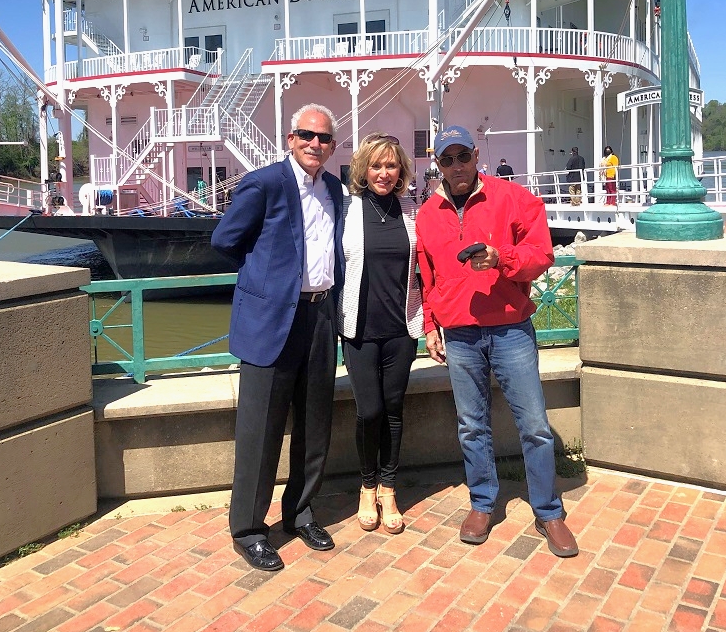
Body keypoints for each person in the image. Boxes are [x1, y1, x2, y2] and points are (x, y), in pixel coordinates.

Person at [415, 124, 578, 558]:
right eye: (446, 160)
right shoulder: (428, 212)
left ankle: (548, 511)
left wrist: (500, 258)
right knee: (471, 426)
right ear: (438, 165)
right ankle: (483, 503)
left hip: (509, 329)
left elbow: (543, 253)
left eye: (462, 156)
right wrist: (431, 325)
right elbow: (427, 276)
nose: (455, 166)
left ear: (475, 155)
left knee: (536, 427)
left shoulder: (512, 198)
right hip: (460, 334)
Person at [211, 104, 345, 572]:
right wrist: (267, 279)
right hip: (272, 323)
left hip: (320, 317)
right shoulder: (265, 183)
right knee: (260, 432)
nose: (315, 143)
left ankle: (300, 512)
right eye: (306, 135)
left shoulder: (334, 189)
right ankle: (248, 529)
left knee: (315, 425)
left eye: (324, 138)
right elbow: (226, 239)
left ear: (332, 145)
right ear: (290, 138)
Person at [338, 134, 423, 534]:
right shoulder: (348, 208)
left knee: (393, 410)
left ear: (401, 170)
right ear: (363, 170)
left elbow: (425, 269)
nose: (384, 173)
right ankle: (366, 484)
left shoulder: (411, 209)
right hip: (358, 329)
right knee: (368, 410)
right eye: (376, 166)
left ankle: (388, 488)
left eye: (391, 166)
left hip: (401, 328)